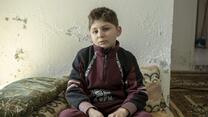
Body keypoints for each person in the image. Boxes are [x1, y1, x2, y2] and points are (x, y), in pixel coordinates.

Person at [59, 7, 152, 117]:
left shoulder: (127, 58)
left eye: (106, 29)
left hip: (119, 109)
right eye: (95, 31)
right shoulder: (83, 56)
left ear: (118, 30)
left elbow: (138, 91)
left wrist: (124, 111)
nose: (100, 35)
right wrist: (89, 110)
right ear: (90, 35)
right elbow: (73, 89)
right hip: (91, 110)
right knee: (66, 115)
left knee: (145, 116)